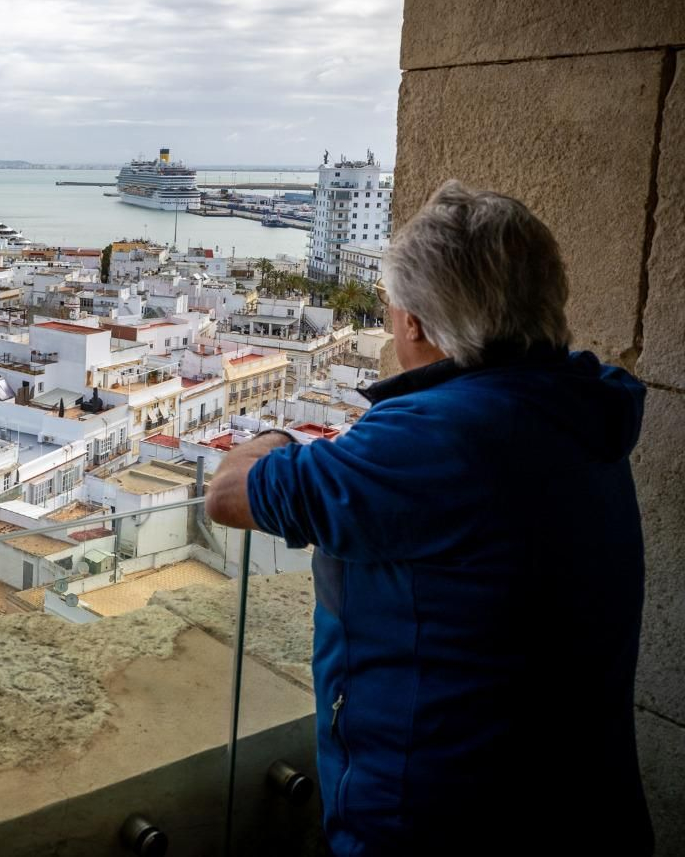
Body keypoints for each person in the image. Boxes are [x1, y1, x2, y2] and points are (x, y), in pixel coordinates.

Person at [207, 181, 651, 856]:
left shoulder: (435, 439)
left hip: (437, 818)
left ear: (412, 321)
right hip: (585, 805)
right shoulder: (580, 406)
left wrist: (276, 440)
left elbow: (227, 493)